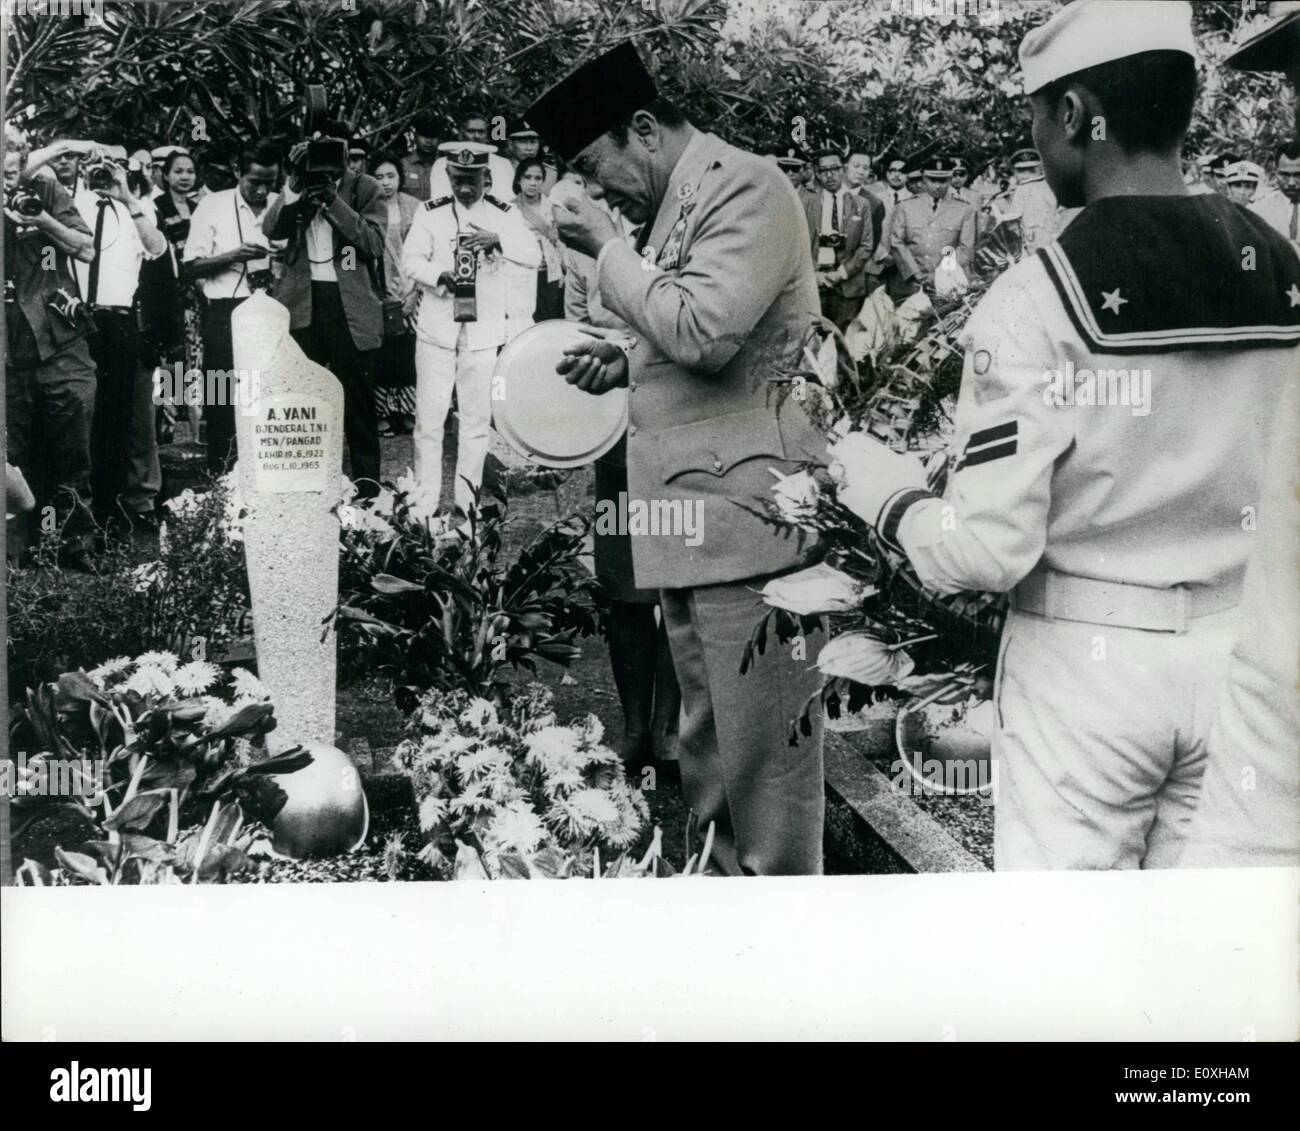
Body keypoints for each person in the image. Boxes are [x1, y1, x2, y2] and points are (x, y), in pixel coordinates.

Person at [829, 0, 1300, 871]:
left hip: (1090, 673)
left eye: (1038, 114)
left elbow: (984, 552)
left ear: (1078, 116)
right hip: (1246, 659)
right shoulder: (1277, 263)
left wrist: (883, 493)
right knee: (1206, 964)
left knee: (1069, 969)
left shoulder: (1038, 294)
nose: (1038, 141)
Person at [528, 42, 830, 876]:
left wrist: (606, 251)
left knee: (765, 770)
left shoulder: (747, 184)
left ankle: (787, 958)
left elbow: (705, 329)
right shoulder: (674, 205)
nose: (595, 192)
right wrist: (629, 358)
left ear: (645, 128)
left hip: (752, 529)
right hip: (697, 527)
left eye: (595, 167)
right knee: (712, 761)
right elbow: (695, 328)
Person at [564, 196, 682, 775]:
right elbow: (590, 318)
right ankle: (635, 725)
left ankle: (670, 727)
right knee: (625, 587)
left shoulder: (694, 231)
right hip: (616, 433)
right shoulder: (597, 237)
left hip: (679, 436)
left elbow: (691, 325)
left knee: (679, 587)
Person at [400, 141, 538, 517]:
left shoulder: (504, 214)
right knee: (429, 420)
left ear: (486, 178)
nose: (465, 188)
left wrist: (500, 240)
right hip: (437, 329)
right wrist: (437, 276)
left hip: (481, 333)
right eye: (458, 180)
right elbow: (409, 261)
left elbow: (534, 255)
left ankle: (467, 503)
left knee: (476, 423)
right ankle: (424, 506)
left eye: (473, 180)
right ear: (447, 176)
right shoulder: (431, 213)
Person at [263, 118, 387, 492]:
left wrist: (333, 201)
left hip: (348, 304)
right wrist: (294, 185)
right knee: (303, 399)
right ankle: (306, 487)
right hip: (303, 300)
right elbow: (273, 230)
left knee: (359, 406)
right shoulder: (298, 185)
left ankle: (367, 493)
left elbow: (372, 244)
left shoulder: (365, 187)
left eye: (333, 148)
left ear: (349, 151)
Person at [3, 129, 98, 567]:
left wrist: (42, 221)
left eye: (14, 164)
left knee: (71, 441)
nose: (9, 174)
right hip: (8, 344)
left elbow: (85, 248)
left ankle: (75, 545)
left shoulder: (43, 187)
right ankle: (14, 552)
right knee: (11, 451)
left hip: (58, 337)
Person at [69, 143, 168, 535]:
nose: (102, 172)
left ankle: (110, 514)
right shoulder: (71, 201)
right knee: (81, 418)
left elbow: (157, 249)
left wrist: (125, 194)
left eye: (111, 165)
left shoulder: (137, 207)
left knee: (117, 420)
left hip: (120, 323)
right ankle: (80, 510)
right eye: (96, 165)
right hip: (78, 321)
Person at [182, 140, 282, 473]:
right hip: (224, 312)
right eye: (255, 182)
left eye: (269, 182)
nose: (262, 190)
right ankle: (221, 478)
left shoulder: (280, 205)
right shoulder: (212, 205)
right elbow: (190, 266)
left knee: (265, 397)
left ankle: (261, 475)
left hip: (270, 311)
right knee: (222, 398)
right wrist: (234, 255)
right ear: (238, 173)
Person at [367, 150, 421, 437]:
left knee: (410, 351)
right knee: (383, 353)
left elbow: (427, 251)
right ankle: (383, 413)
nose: (386, 183)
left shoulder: (416, 207)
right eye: (379, 177)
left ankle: (408, 409)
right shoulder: (365, 206)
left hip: (412, 288)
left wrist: (413, 292)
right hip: (377, 290)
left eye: (391, 176)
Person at [154, 148, 206, 437]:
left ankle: (198, 436)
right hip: (170, 295)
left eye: (190, 171)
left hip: (200, 294)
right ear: (165, 174)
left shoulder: (202, 207)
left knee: (197, 361)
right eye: (178, 171)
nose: (185, 177)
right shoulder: (157, 206)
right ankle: (167, 433)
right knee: (172, 364)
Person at [888, 155, 976, 299]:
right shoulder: (905, 206)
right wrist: (916, 273)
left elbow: (965, 247)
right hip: (909, 284)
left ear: (950, 180)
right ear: (923, 179)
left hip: (946, 283)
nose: (937, 185)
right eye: (932, 180)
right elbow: (897, 242)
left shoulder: (964, 209)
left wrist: (940, 273)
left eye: (942, 180)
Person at [803, 147, 873, 330]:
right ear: (817, 173)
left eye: (834, 169)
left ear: (843, 170)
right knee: (811, 340)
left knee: (843, 343)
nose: (829, 175)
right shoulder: (806, 203)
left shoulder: (861, 205)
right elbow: (797, 243)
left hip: (847, 287)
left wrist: (840, 274)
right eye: (823, 171)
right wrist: (814, 275)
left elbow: (866, 246)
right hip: (814, 285)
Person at [512, 156, 565, 320]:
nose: (532, 183)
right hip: (521, 273)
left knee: (549, 317)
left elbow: (562, 241)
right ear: (519, 179)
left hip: (550, 272)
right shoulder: (510, 208)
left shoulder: (554, 208)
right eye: (527, 177)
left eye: (537, 178)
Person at [430, 108, 517, 201]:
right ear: (460, 134)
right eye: (471, 131)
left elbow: (508, 198)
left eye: (481, 132)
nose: (477, 136)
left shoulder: (503, 164)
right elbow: (440, 198)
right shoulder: (442, 163)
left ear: (487, 135)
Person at [1250, 139, 1300, 246]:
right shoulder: (1257, 211)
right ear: (1276, 172)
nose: (1291, 183)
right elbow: (1248, 252)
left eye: (1298, 175)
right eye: (1285, 175)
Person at [401, 112, 442, 202]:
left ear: (439, 139)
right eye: (424, 135)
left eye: (433, 136)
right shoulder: (402, 166)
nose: (429, 141)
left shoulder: (445, 167)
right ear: (415, 136)